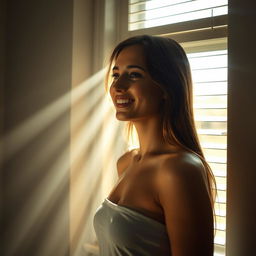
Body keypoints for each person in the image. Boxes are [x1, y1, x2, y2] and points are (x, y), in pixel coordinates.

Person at [93, 35, 216, 256]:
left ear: (166, 88)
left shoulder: (178, 170)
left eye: (134, 75)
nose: (118, 86)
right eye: (116, 74)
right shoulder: (126, 162)